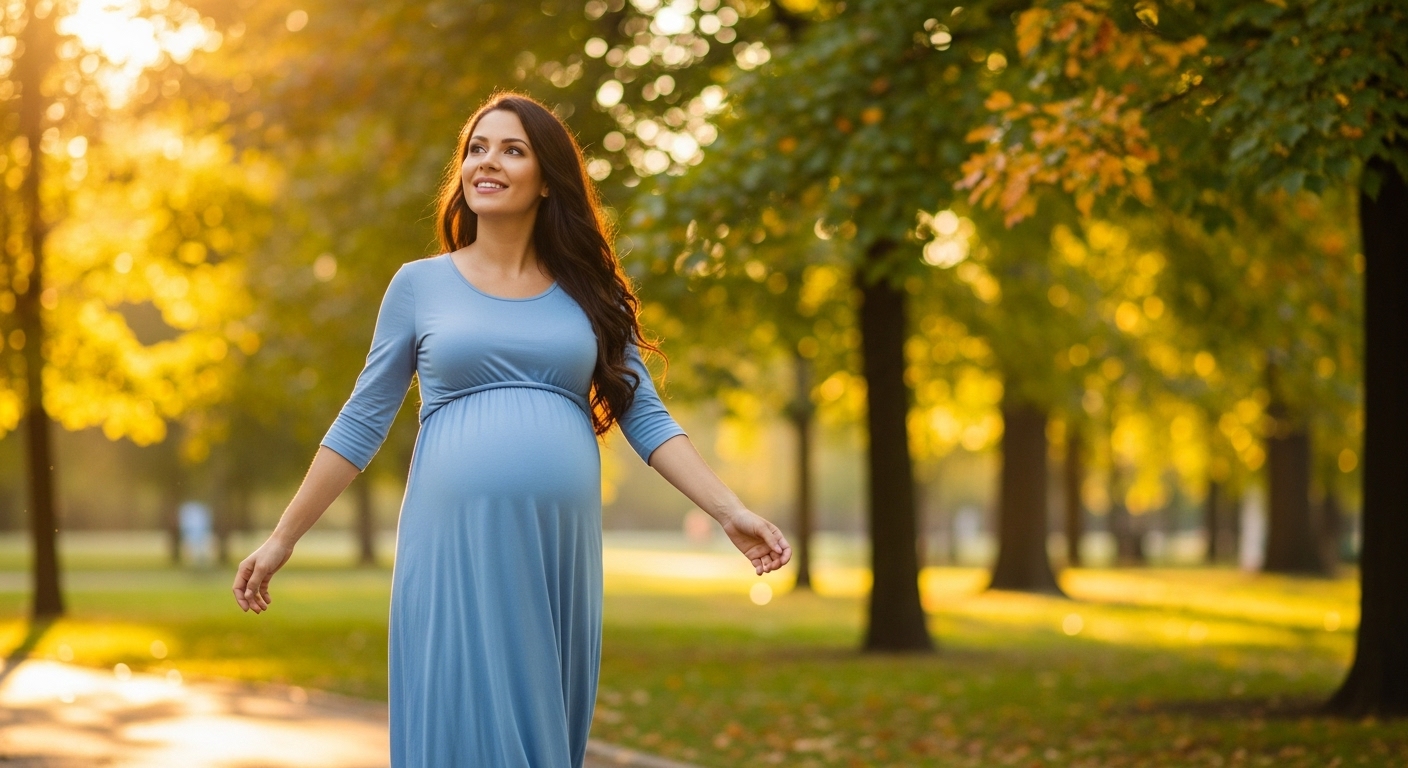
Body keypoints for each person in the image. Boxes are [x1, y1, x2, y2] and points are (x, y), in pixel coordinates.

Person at [231, 92, 792, 767]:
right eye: (476, 148)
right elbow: (361, 420)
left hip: (555, 547)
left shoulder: (592, 294)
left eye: (511, 149)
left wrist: (728, 510)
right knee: (463, 719)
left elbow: (646, 415)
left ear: (547, 179)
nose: (485, 162)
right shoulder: (419, 286)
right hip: (452, 542)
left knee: (540, 729)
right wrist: (282, 537)